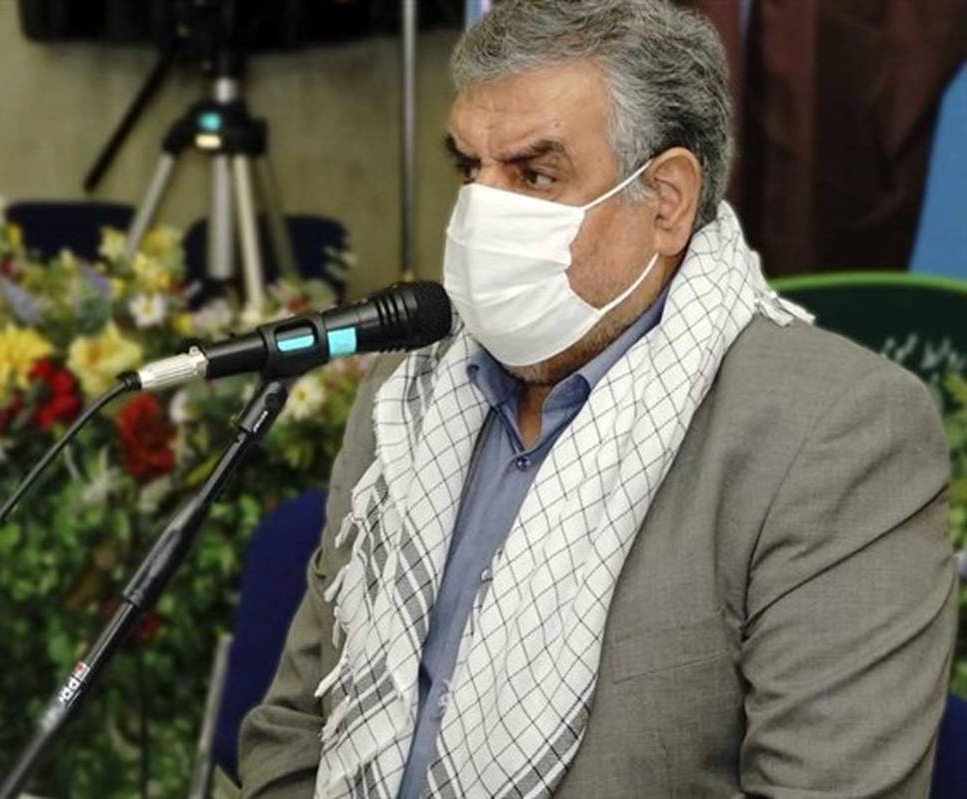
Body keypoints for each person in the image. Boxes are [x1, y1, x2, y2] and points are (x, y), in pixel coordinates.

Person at [239, 1, 957, 796]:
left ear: (667, 201)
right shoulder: (407, 395)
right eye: (470, 169)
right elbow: (295, 730)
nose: (481, 214)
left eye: (534, 175)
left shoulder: (833, 435)